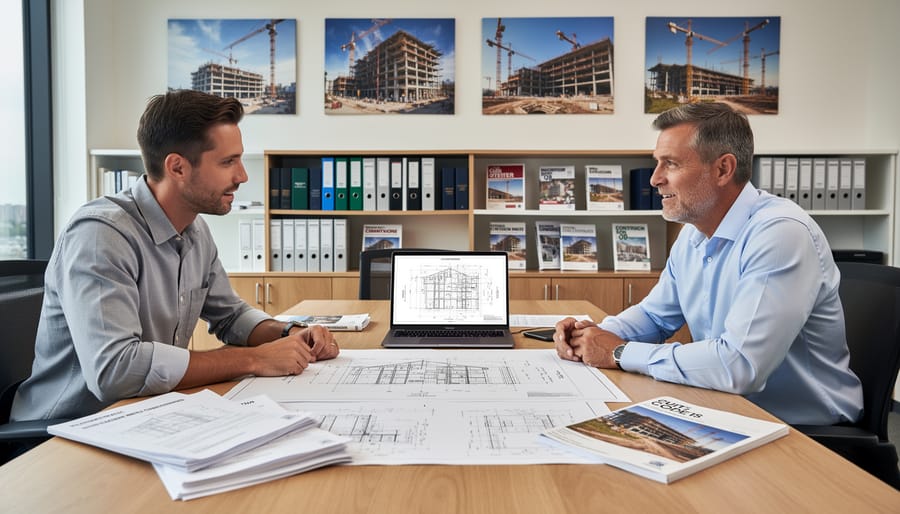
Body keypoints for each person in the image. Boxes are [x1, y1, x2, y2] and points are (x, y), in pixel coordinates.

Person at [11, 90, 339, 423]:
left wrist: (290, 335)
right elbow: (114, 371)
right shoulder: (101, 236)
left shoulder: (194, 231)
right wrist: (253, 359)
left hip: (145, 416)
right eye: (228, 162)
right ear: (178, 167)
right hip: (61, 434)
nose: (243, 176)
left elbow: (231, 316)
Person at [554, 103, 863, 426]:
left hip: (807, 432)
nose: (656, 179)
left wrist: (618, 353)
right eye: (657, 164)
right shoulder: (692, 235)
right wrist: (593, 335)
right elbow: (655, 316)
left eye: (670, 164)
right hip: (727, 410)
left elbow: (740, 366)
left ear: (722, 169)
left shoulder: (780, 233)